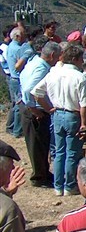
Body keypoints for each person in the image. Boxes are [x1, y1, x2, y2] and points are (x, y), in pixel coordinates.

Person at [32, 43, 86, 196]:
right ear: (76, 59)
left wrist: (49, 109)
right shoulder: (80, 77)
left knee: (59, 152)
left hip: (58, 114)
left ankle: (58, 185)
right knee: (72, 152)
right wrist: (84, 124)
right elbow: (84, 105)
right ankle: (70, 185)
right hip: (73, 114)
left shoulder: (53, 73)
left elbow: (36, 93)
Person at [19, 39, 60, 187]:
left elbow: (22, 81)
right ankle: (39, 177)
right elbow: (28, 89)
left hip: (32, 108)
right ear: (52, 55)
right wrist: (33, 108)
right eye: (57, 57)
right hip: (35, 111)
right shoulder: (41, 68)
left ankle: (43, 172)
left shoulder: (33, 63)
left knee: (41, 144)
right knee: (37, 144)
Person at [5, 26, 33, 138]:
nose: (25, 36)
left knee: (15, 104)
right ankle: (17, 130)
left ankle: (11, 127)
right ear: (17, 36)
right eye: (23, 34)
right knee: (19, 105)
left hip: (12, 78)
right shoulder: (17, 49)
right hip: (17, 79)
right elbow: (20, 65)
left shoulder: (11, 46)